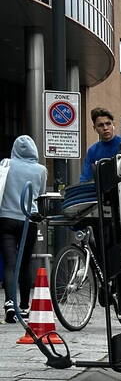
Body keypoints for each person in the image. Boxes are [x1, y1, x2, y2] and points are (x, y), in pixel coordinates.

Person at [0, 135, 47, 322]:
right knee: (25, 263)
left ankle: (10, 303)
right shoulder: (41, 170)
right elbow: (40, 194)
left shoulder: (5, 164)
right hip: (29, 219)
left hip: (6, 219)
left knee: (11, 263)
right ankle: (25, 307)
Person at [80, 107, 121, 183]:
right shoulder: (92, 151)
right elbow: (85, 180)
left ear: (113, 124)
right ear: (95, 128)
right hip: (101, 193)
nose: (105, 128)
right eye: (100, 125)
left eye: (108, 123)